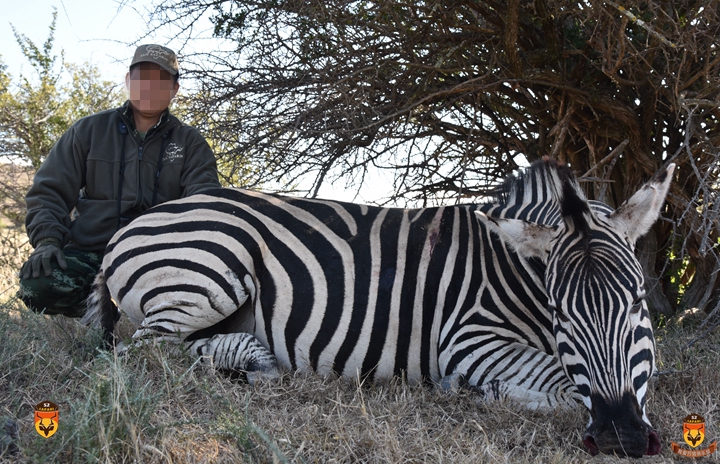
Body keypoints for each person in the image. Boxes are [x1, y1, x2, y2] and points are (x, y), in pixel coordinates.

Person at [18, 44, 221, 317]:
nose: (150, 87)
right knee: (37, 287)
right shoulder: (88, 130)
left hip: (158, 257)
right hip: (93, 251)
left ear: (174, 89)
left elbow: (204, 204)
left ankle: (150, 314)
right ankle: (106, 312)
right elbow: (48, 192)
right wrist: (47, 241)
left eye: (161, 81)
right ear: (128, 81)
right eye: (142, 79)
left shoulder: (190, 142)